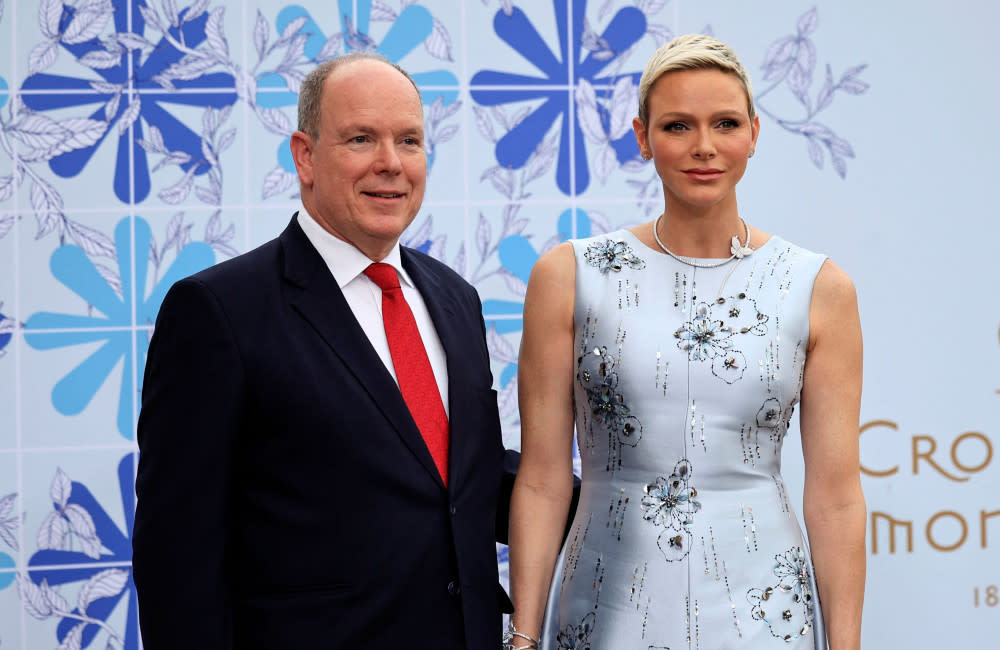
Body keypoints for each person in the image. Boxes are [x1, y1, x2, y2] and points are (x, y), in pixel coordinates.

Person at [132, 52, 509, 649]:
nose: (391, 164)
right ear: (304, 155)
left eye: (409, 141)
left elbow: (464, 476)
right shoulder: (217, 311)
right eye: (361, 138)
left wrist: (616, 498)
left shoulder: (455, 298)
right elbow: (177, 551)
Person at [506, 34, 865, 650]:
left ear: (754, 133)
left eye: (725, 123)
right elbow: (542, 478)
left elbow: (834, 497)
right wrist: (523, 636)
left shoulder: (816, 286)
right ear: (643, 138)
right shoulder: (570, 275)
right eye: (678, 126)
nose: (704, 147)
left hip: (765, 617)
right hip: (606, 610)